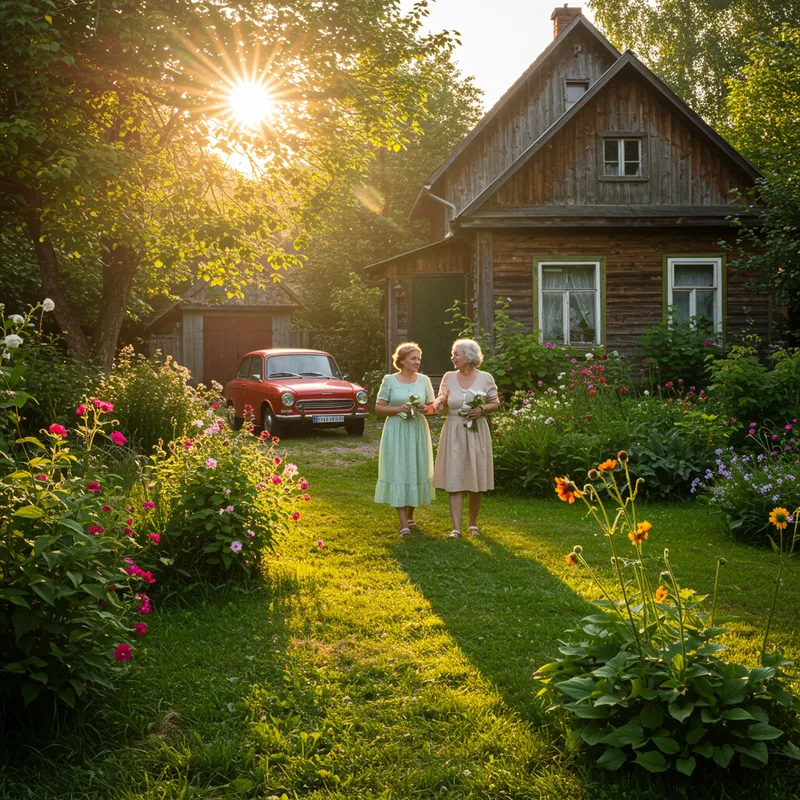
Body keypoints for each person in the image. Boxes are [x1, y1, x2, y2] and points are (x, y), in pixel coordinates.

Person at [433, 338, 500, 539]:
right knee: (454, 476)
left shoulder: (485, 378)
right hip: (453, 430)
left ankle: (472, 523)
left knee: (475, 476)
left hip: (476, 432)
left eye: (456, 354)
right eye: (453, 354)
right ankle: (456, 527)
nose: (452, 357)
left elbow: (494, 403)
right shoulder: (448, 377)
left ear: (469, 356)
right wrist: (438, 403)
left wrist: (481, 409)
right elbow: (442, 398)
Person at [374, 342, 436, 536]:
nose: (417, 362)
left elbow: (432, 407)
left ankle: (410, 516)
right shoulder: (389, 380)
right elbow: (378, 408)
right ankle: (403, 524)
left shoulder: (424, 380)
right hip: (397, 430)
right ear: (401, 361)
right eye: (413, 358)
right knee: (399, 469)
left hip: (417, 430)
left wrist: (425, 409)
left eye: (419, 358)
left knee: (415, 469)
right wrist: (397, 409)